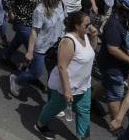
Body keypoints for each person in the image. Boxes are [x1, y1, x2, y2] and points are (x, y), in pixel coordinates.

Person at [35, 9, 98, 139]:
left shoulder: (85, 35)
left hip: (83, 85)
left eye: (90, 24)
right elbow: (62, 67)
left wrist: (94, 36)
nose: (89, 27)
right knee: (55, 107)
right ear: (76, 26)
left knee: (84, 111)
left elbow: (91, 51)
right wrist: (67, 90)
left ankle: (83, 137)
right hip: (65, 85)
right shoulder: (68, 41)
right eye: (86, 25)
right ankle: (40, 125)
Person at [10, 0, 66, 96]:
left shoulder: (61, 5)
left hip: (55, 46)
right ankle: (16, 79)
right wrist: (30, 52)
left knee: (54, 74)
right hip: (41, 48)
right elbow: (34, 32)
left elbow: (63, 23)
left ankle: (51, 102)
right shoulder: (40, 11)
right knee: (36, 73)